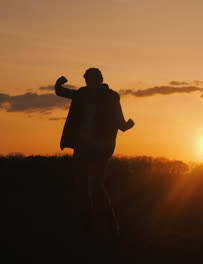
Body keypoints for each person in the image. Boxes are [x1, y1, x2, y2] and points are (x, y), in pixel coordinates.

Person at [54, 68, 134, 251]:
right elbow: (62, 92)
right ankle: (90, 230)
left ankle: (111, 226)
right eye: (87, 79)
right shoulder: (82, 94)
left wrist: (126, 125)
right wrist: (59, 84)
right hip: (83, 146)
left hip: (100, 148)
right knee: (83, 186)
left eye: (91, 79)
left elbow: (119, 123)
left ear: (100, 79)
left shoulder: (111, 97)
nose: (89, 82)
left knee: (95, 185)